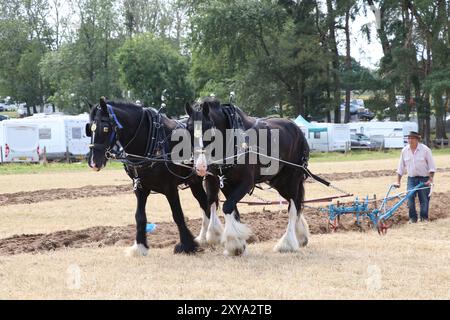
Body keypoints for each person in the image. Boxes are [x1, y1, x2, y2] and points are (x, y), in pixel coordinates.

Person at [395, 131, 436, 223]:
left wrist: (430, 179)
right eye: (408, 138)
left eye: (412, 138)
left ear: (417, 139)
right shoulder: (405, 151)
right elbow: (400, 167)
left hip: (424, 178)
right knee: (410, 198)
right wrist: (398, 181)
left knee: (424, 199)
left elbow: (431, 166)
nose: (410, 140)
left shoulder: (425, 150)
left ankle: (424, 218)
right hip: (411, 179)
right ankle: (413, 219)